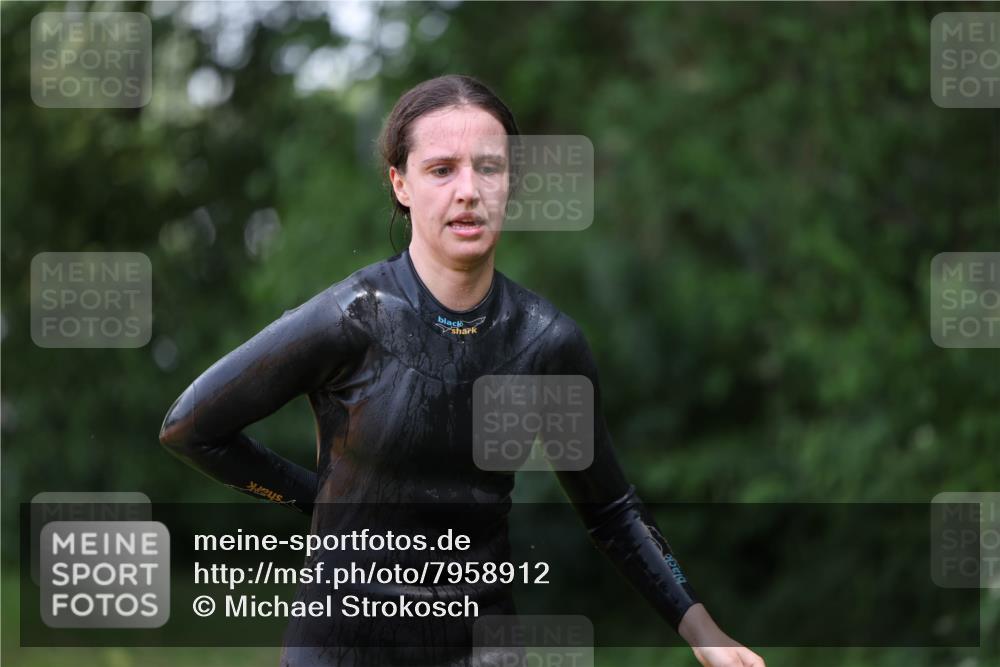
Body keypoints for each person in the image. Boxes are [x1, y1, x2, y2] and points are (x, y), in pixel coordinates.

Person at [159, 74, 765, 667]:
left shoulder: (544, 343)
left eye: (489, 168)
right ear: (401, 184)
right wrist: (313, 502)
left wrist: (704, 631)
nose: (468, 190)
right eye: (442, 169)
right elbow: (191, 428)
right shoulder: (352, 319)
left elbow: (610, 511)